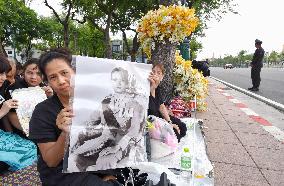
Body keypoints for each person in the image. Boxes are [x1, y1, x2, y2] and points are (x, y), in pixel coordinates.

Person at [29, 50, 120, 186]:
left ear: (75, 72)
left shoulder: (97, 101)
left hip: (98, 165)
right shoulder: (42, 112)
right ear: (47, 81)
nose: (61, 81)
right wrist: (65, 133)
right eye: (53, 77)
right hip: (64, 173)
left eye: (64, 73)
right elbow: (51, 161)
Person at [71, 67, 146, 172]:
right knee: (75, 157)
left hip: (122, 143)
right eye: (115, 80)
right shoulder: (106, 102)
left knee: (105, 162)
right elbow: (91, 120)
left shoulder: (135, 103)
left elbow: (134, 129)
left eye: (122, 80)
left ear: (127, 82)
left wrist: (118, 147)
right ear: (111, 82)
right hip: (103, 139)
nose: (118, 83)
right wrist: (76, 127)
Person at [0, 54, 37, 174]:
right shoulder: (14, 89)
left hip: (6, 136)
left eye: (5, 74)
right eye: (1, 73)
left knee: (31, 148)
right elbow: (7, 115)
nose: (4, 78)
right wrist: (2, 111)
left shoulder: (44, 89)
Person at [5, 58, 53, 137]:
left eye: (38, 74)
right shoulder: (15, 89)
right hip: (22, 134)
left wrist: (50, 97)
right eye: (30, 73)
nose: (33, 77)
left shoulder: (45, 88)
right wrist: (27, 128)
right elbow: (11, 114)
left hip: (43, 131)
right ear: (23, 73)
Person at [148, 63, 187, 141]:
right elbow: (152, 112)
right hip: (150, 121)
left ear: (162, 77)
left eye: (159, 73)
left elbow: (161, 106)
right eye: (153, 72)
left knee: (182, 127)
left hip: (159, 117)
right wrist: (152, 88)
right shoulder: (146, 86)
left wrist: (169, 122)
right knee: (175, 134)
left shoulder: (158, 88)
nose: (155, 74)